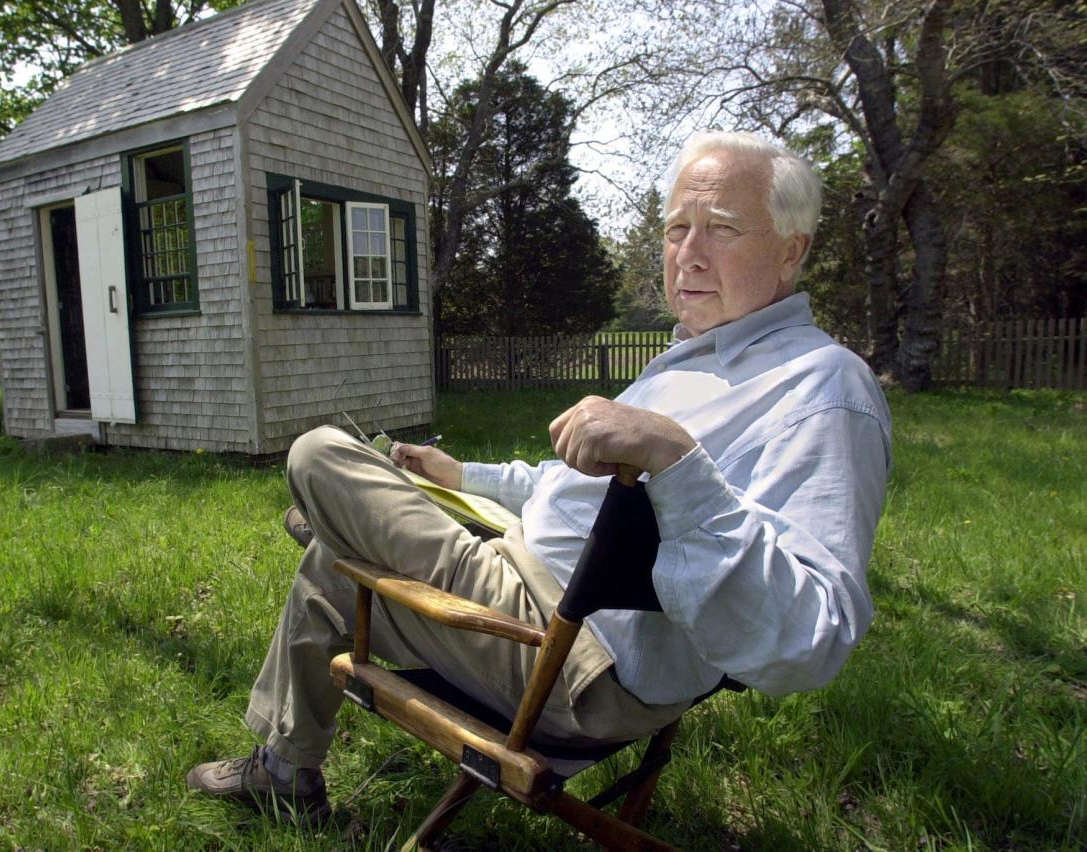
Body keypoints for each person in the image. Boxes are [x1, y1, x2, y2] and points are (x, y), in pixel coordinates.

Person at [186, 131, 892, 825]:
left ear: (792, 249)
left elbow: (814, 636)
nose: (688, 255)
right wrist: (465, 474)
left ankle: (339, 521)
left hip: (570, 661)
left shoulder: (821, 389)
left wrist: (677, 460)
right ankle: (285, 772)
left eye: (722, 229)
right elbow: (575, 493)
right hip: (525, 587)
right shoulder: (695, 361)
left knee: (318, 453)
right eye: (678, 227)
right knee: (331, 570)